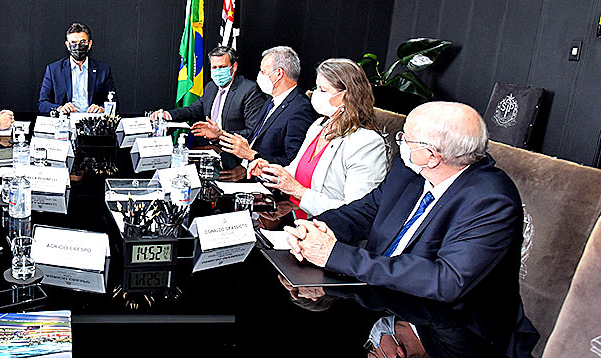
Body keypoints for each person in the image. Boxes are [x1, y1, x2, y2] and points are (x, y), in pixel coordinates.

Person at [285, 101, 525, 304]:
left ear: (432, 156)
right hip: (378, 292)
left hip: (446, 329)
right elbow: (367, 211)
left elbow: (446, 281)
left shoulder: (491, 201)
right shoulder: (408, 170)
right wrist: (315, 228)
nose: (399, 142)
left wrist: (335, 254)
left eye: (405, 138)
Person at [249, 58, 387, 218]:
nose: (315, 94)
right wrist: (268, 171)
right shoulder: (319, 126)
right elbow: (295, 171)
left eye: (322, 89)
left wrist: (297, 191)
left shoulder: (367, 143)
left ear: (346, 96)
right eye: (317, 87)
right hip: (295, 220)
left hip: (326, 233)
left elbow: (356, 212)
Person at [218, 46, 317, 167]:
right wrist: (221, 134)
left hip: (264, 180)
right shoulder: (272, 99)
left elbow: (292, 162)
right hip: (244, 168)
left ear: (279, 74)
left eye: (263, 71)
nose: (260, 75)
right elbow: (256, 135)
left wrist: (252, 155)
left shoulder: (300, 108)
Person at [152, 45, 266, 142]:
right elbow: (193, 110)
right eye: (214, 67)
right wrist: (168, 114)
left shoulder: (249, 90)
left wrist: (221, 134)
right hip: (208, 147)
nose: (218, 72)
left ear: (234, 67)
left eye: (222, 67)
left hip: (233, 152)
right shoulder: (211, 87)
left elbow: (253, 131)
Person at [38, 23, 117, 115]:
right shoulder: (53, 70)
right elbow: (42, 104)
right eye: (73, 42)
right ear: (67, 45)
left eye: (83, 42)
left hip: (93, 123)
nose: (78, 46)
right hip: (65, 122)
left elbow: (114, 103)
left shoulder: (103, 70)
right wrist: (60, 109)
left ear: (90, 44)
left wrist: (102, 109)